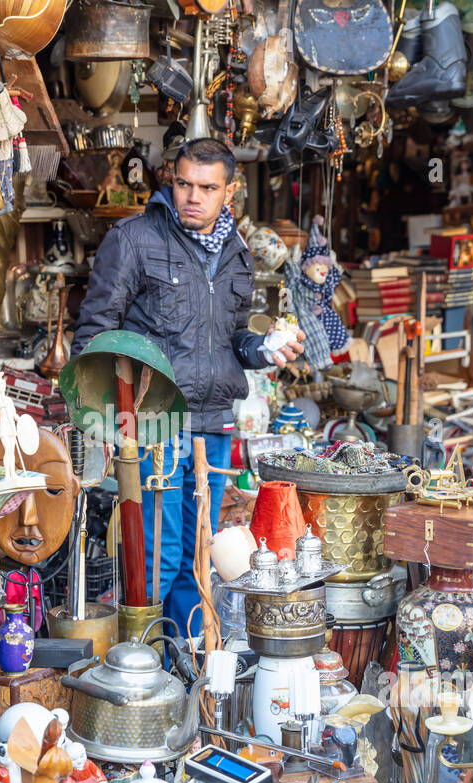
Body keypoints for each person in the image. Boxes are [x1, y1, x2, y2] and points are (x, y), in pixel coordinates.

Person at [70, 138, 305, 636]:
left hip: (213, 425)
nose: (192, 197)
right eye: (183, 184)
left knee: (197, 561)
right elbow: (93, 335)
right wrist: (109, 422)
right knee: (155, 559)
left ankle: (187, 666)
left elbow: (233, 337)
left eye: (206, 187)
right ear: (169, 181)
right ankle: (146, 667)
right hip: (156, 423)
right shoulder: (133, 240)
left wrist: (264, 349)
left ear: (230, 192)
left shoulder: (238, 252)